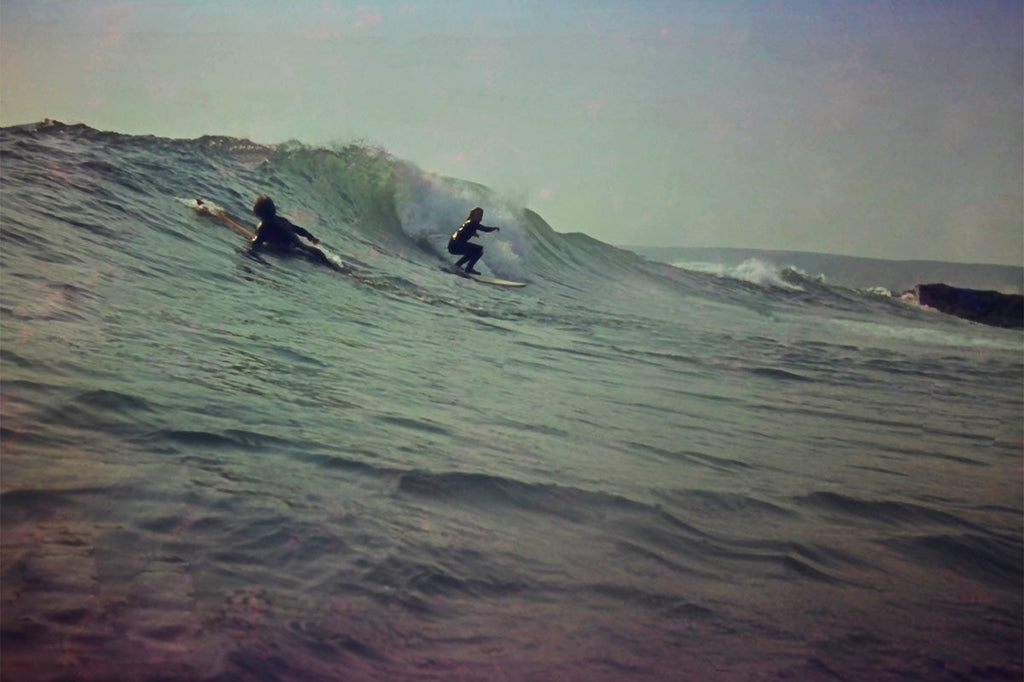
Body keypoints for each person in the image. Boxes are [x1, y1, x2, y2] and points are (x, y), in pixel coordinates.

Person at [250, 194, 338, 269]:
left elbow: (255, 246)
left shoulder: (264, 226)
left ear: (258, 210)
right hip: (314, 251)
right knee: (334, 268)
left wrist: (247, 253)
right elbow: (299, 230)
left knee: (331, 269)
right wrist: (311, 237)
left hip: (301, 254)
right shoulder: (282, 221)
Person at [448, 207, 500, 275]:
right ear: (473, 215)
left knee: (473, 251)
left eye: (481, 215)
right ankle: (468, 268)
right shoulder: (473, 222)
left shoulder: (469, 222)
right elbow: (485, 229)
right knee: (479, 250)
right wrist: (494, 228)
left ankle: (458, 265)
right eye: (477, 214)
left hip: (453, 245)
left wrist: (473, 233)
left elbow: (463, 231)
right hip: (456, 246)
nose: (479, 216)